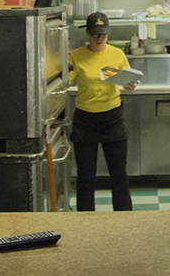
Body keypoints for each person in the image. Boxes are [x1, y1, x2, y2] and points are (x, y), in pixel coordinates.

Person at [68, 11, 135, 211]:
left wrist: (129, 85)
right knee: (86, 175)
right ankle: (85, 218)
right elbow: (64, 80)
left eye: (104, 35)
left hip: (112, 117)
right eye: (96, 34)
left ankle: (124, 216)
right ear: (87, 34)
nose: (100, 38)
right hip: (85, 119)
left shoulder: (117, 54)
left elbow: (126, 79)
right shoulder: (76, 56)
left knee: (119, 173)